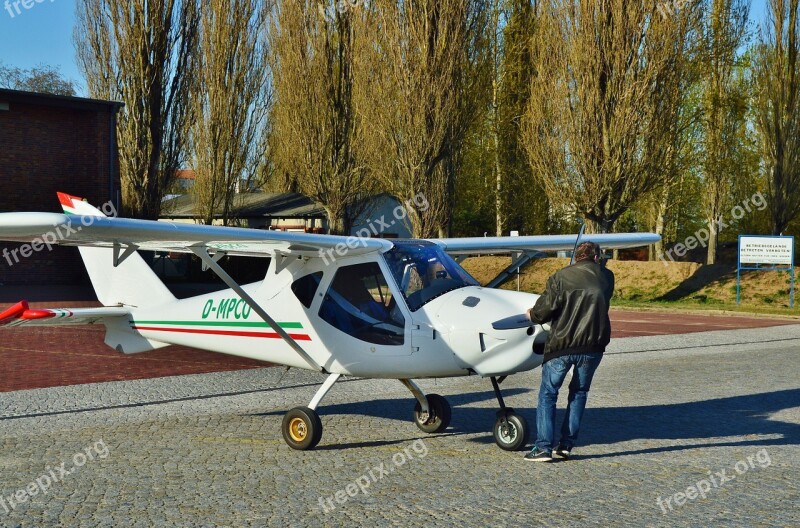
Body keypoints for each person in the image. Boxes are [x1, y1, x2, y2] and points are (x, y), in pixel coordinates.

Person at [523, 241, 614, 462]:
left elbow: (543, 311)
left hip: (562, 345)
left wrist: (531, 315)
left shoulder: (560, 277)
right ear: (595, 257)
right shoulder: (607, 277)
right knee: (579, 393)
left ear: (576, 257)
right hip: (593, 345)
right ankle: (565, 446)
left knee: (548, 394)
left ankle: (543, 447)